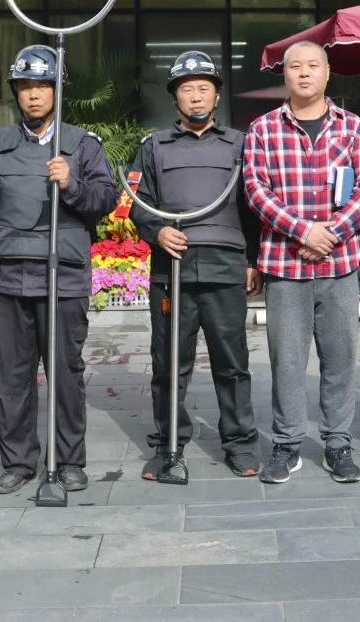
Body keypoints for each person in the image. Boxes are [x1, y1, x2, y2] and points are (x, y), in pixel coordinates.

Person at [0, 45, 118, 495]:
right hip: (7, 275)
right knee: (11, 376)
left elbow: (105, 200)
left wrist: (71, 184)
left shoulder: (82, 145)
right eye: (25, 87)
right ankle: (18, 461)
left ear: (58, 91)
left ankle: (69, 460)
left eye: (42, 87)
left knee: (65, 374)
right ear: (15, 93)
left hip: (62, 276)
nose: (33, 95)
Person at [243, 39, 360, 484]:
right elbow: (256, 190)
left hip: (339, 266)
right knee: (286, 361)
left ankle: (338, 443)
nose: (304, 73)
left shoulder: (353, 127)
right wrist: (304, 232)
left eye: (312, 65)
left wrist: (330, 234)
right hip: (285, 266)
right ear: (284, 74)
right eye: (295, 66)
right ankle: (287, 444)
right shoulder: (263, 129)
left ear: (327, 72)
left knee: (340, 358)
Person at [130, 51, 261, 480]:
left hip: (224, 265)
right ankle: (168, 447)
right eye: (187, 89)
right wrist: (157, 232)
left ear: (217, 95)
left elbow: (254, 207)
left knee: (232, 363)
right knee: (169, 365)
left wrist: (253, 260)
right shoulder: (153, 146)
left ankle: (240, 444)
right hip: (173, 270)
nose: (196, 96)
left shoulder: (242, 144)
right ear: (175, 98)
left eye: (204, 88)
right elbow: (138, 203)